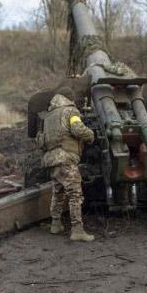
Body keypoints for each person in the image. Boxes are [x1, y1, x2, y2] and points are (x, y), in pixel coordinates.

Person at [37, 86, 95, 242]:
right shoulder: (70, 111)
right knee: (75, 193)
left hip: (52, 160)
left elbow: (40, 141)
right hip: (66, 158)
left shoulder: (49, 116)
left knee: (58, 191)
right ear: (69, 98)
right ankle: (77, 230)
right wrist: (91, 135)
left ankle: (56, 224)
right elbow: (78, 130)